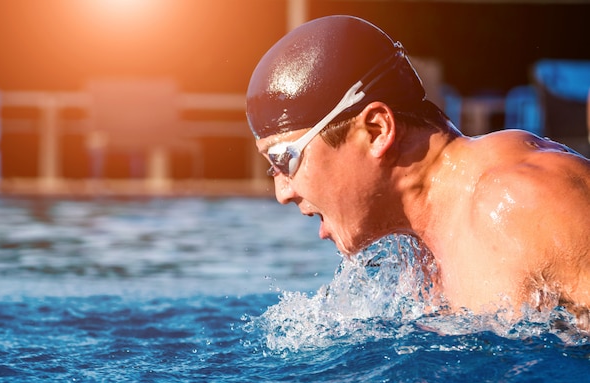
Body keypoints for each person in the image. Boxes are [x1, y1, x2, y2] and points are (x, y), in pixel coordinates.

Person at [245, 15, 590, 326]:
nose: (282, 192)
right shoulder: (419, 247)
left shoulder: (527, 202)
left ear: (376, 131)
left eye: (283, 160)